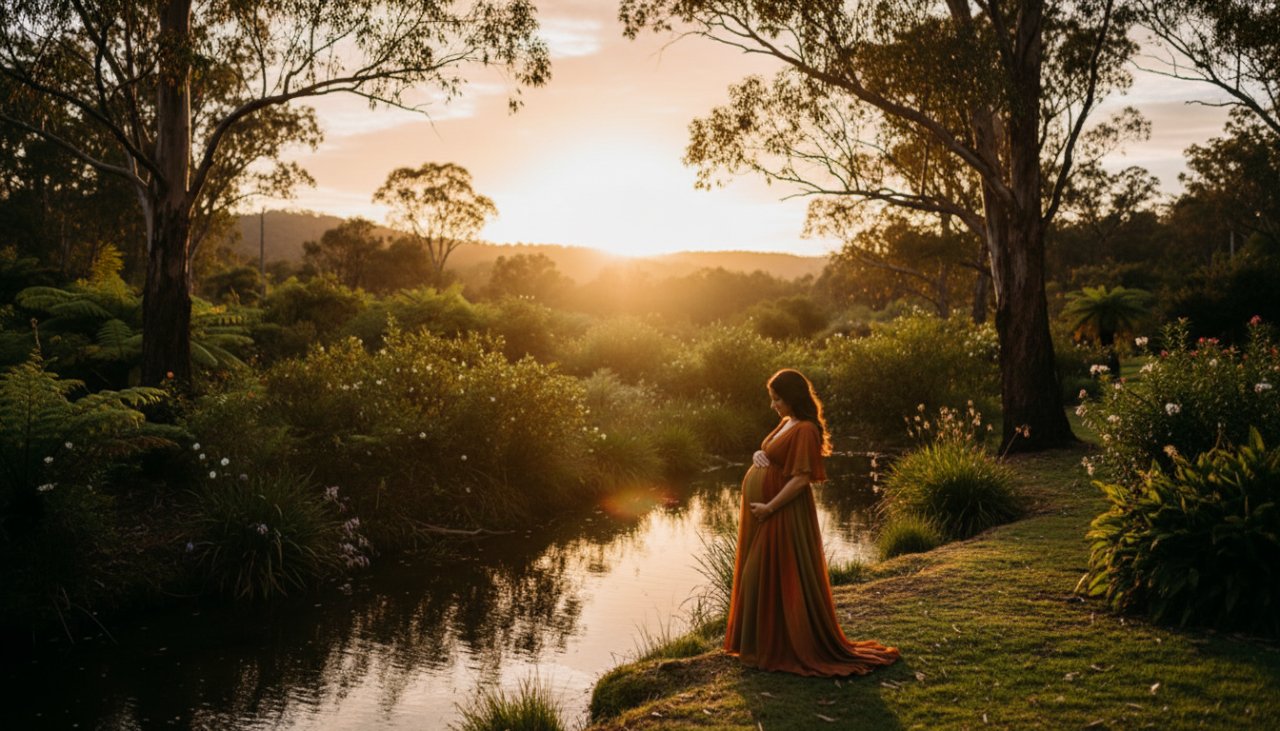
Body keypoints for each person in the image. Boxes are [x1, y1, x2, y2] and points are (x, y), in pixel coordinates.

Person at [723, 368, 900, 676]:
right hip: (766, 510)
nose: (773, 404)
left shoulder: (805, 428)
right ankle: (764, 643)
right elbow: (772, 453)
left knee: (773, 574)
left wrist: (769, 507)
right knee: (765, 574)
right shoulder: (787, 421)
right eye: (772, 398)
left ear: (791, 397)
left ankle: (782, 645)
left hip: (782, 511)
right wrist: (757, 455)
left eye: (777, 398)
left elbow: (802, 479)